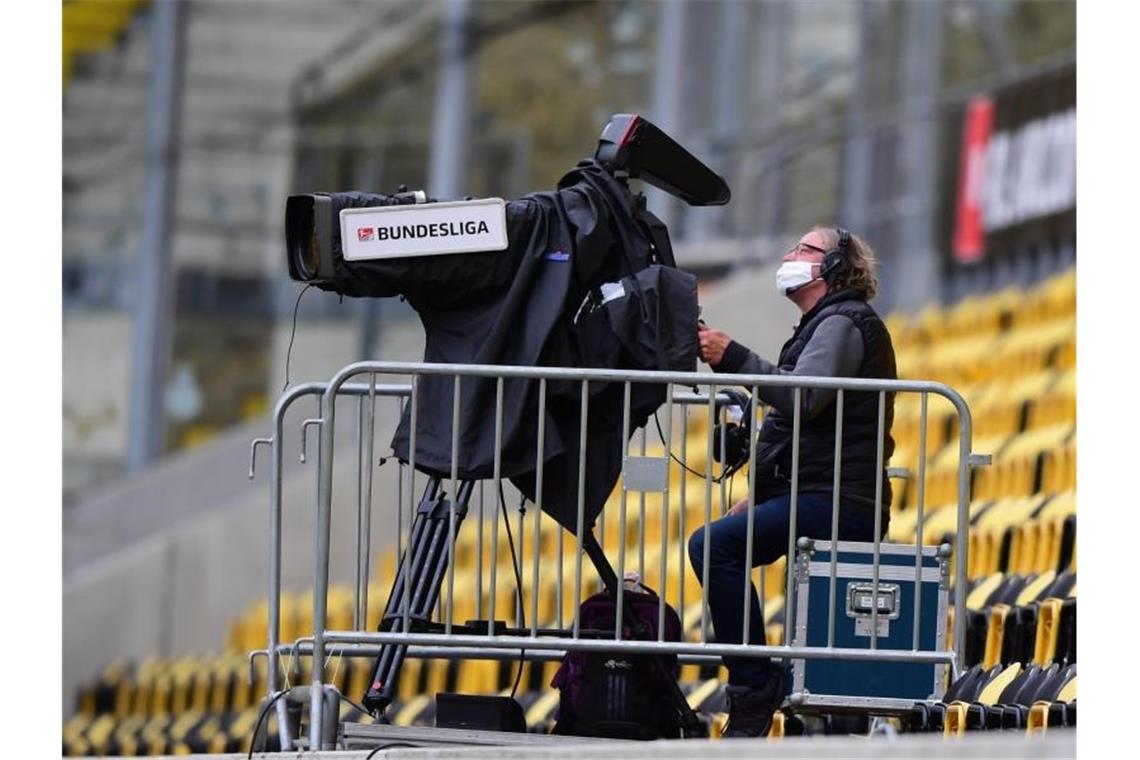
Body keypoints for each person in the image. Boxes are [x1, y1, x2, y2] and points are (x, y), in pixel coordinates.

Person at [688, 226, 897, 737]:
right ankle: (758, 679)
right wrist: (758, 498)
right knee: (718, 543)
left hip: (841, 500)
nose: (791, 254)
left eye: (805, 249)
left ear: (833, 266)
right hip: (816, 493)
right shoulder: (820, 325)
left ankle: (755, 683)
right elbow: (795, 433)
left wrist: (733, 356)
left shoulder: (845, 322)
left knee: (715, 546)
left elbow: (802, 399)